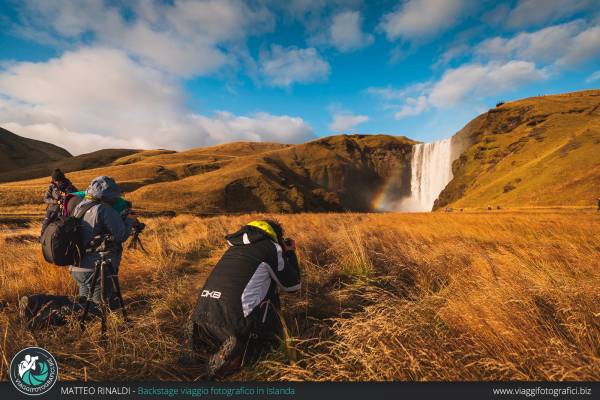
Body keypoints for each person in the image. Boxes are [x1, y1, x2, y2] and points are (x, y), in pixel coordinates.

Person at [188, 220, 301, 379]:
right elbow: (293, 287)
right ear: (275, 236)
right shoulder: (271, 248)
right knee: (269, 302)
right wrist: (289, 253)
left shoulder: (232, 249)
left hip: (202, 316)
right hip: (235, 325)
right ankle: (237, 354)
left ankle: (202, 341)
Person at [69, 176, 136, 307]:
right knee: (100, 309)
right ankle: (53, 311)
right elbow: (121, 235)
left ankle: (75, 322)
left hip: (77, 266)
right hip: (97, 267)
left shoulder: (81, 206)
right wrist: (129, 220)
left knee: (84, 306)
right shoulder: (104, 209)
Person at [41, 169, 77, 234]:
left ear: (62, 179)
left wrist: (65, 197)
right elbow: (46, 198)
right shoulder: (51, 187)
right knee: (45, 226)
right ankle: (43, 240)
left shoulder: (70, 187)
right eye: (55, 181)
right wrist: (55, 201)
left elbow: (76, 197)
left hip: (66, 212)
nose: (56, 182)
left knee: (62, 229)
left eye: (58, 181)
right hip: (52, 211)